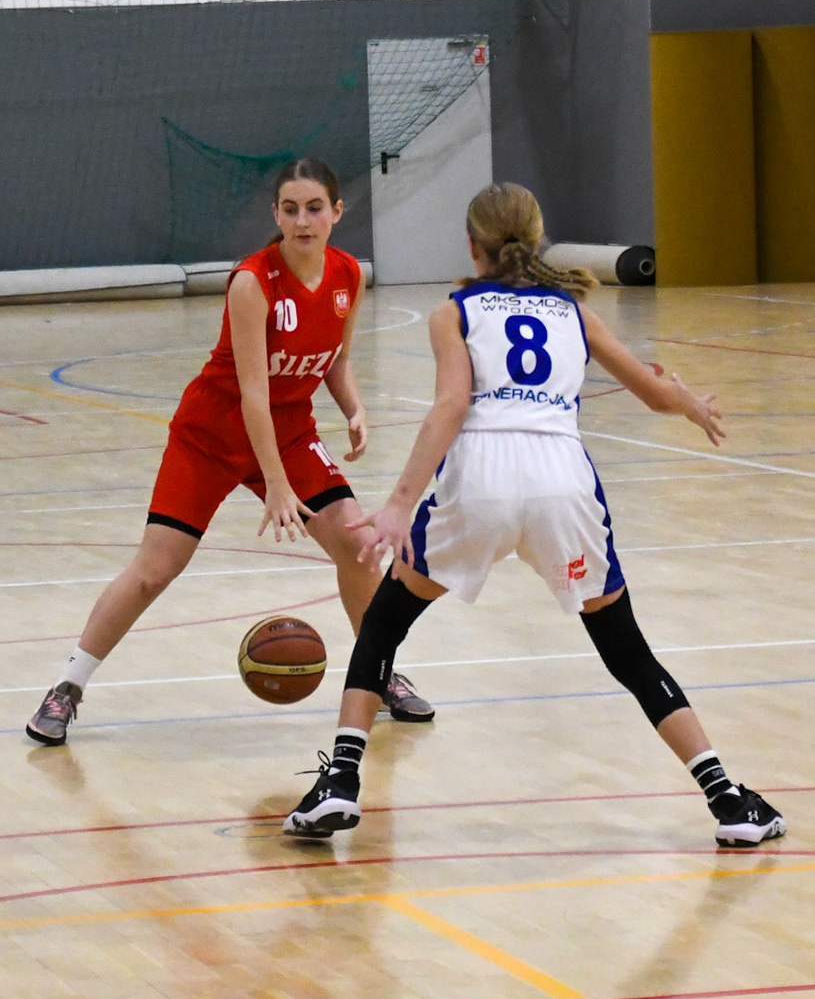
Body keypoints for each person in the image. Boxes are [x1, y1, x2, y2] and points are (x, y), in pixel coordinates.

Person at [282, 183, 786, 848]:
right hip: (561, 482)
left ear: (472, 246)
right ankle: (728, 799)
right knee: (626, 650)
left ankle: (342, 781)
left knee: (383, 622)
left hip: (481, 480)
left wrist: (400, 502)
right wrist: (688, 403)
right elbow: (652, 390)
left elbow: (451, 406)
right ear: (539, 238)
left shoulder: (454, 311)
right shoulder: (574, 310)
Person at [25, 158, 434, 744]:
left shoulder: (348, 275)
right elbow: (252, 395)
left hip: (288, 431)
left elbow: (337, 361)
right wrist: (277, 484)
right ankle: (67, 687)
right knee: (155, 570)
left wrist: (354, 408)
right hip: (212, 434)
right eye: (290, 209)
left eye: (314, 208)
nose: (302, 221)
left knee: (360, 548)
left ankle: (379, 673)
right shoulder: (252, 282)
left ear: (337, 212)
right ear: (276, 215)